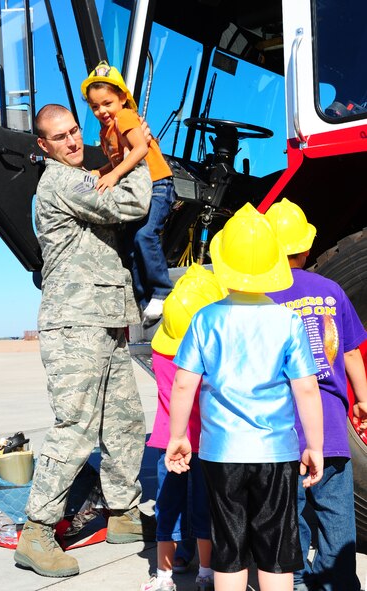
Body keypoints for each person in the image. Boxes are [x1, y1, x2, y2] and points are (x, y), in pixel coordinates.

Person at [14, 104, 156, 578]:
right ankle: (36, 532)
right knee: (75, 425)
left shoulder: (88, 176)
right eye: (61, 137)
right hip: (75, 324)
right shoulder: (61, 181)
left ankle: (123, 514)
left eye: (75, 131)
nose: (73, 142)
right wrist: (138, 152)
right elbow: (132, 204)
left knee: (125, 423)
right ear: (44, 146)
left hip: (107, 320)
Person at [165, 203, 325, 591]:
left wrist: (178, 437)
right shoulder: (287, 320)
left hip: (222, 453)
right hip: (276, 452)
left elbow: (184, 382)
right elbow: (306, 386)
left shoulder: (206, 318)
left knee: (229, 546)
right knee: (275, 548)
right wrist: (315, 445)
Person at [265, 197, 367, 591]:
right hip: (331, 426)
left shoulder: (263, 297)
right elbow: (352, 352)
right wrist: (361, 399)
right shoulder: (331, 289)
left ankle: (291, 579)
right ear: (307, 247)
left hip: (284, 428)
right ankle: (339, 581)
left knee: (288, 510)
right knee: (336, 509)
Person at [142, 263, 226, 591]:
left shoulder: (161, 351)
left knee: (169, 509)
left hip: (167, 441)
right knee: (205, 508)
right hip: (205, 443)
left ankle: (165, 574)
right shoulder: (211, 354)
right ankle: (206, 572)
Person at [81, 60, 175, 328]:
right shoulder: (105, 131)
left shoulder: (125, 117)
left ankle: (162, 291)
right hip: (138, 189)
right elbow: (115, 163)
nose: (102, 110)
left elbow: (140, 150)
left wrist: (112, 176)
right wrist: (94, 175)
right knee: (131, 246)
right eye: (95, 106)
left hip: (157, 184)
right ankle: (143, 302)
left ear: (122, 97)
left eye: (107, 103)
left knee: (146, 235)